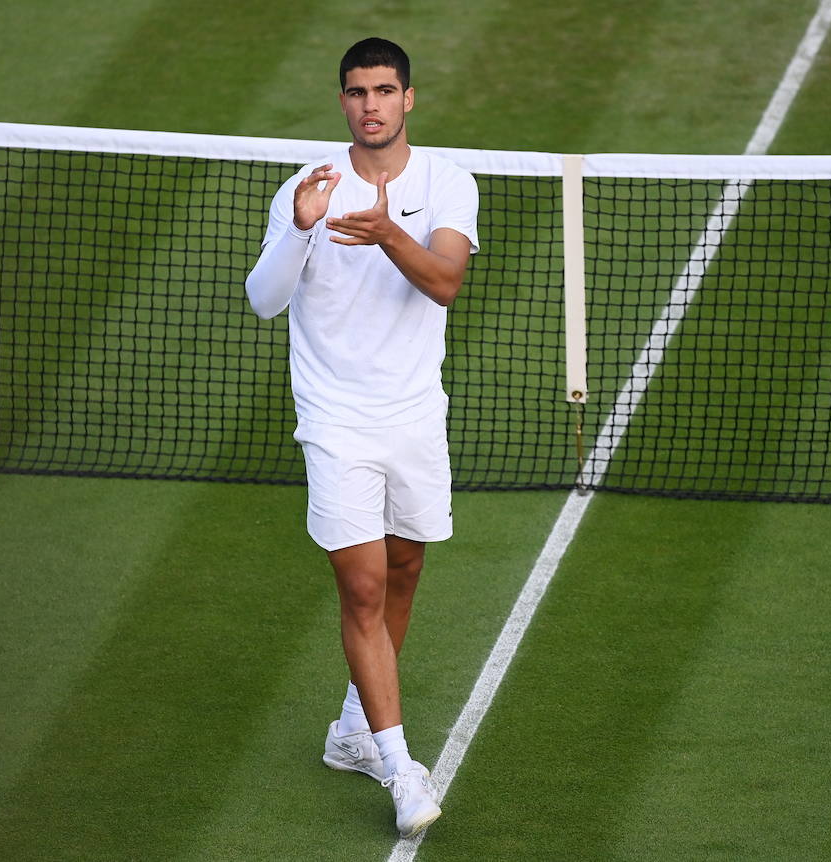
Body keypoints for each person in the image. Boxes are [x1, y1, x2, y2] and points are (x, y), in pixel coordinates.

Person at [244, 37, 479, 839]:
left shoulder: (447, 182)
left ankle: (352, 728)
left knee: (406, 564)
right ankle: (400, 767)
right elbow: (265, 301)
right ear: (342, 101)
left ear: (408, 98)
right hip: (335, 421)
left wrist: (386, 234)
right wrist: (301, 230)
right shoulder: (306, 189)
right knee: (366, 589)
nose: (371, 104)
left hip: (414, 415)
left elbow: (444, 281)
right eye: (357, 92)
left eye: (384, 90)